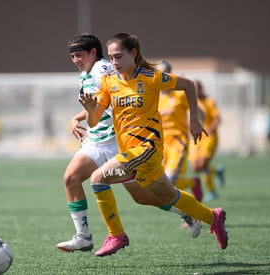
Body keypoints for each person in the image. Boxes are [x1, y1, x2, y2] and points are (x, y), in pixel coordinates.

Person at [79, 32, 228, 256]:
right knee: (169, 197)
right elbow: (94, 120)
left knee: (97, 179)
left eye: (119, 56)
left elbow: (187, 85)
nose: (114, 62)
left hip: (147, 149)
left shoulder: (150, 77)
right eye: (110, 58)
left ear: (133, 53)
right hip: (132, 153)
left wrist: (195, 119)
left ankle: (116, 235)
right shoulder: (109, 83)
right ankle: (212, 217)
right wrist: (91, 111)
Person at [56, 34, 201, 254]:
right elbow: (97, 104)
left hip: (118, 142)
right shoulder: (87, 73)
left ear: (93, 53)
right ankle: (83, 236)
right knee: (71, 178)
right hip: (97, 142)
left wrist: (87, 114)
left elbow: (110, 100)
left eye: (79, 55)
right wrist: (79, 116)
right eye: (72, 56)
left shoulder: (103, 70)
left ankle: (185, 211)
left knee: (142, 196)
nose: (75, 60)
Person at [157, 60, 204, 229]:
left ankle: (190, 215)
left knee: (169, 180)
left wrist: (197, 122)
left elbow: (199, 112)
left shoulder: (179, 95)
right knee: (162, 183)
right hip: (159, 145)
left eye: (165, 74)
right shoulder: (154, 96)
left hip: (178, 141)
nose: (162, 77)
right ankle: (192, 183)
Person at [188, 80, 224, 201]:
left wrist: (209, 129)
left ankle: (212, 191)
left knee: (203, 164)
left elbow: (218, 119)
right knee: (195, 167)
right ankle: (216, 171)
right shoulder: (190, 102)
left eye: (197, 88)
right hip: (197, 137)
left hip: (209, 137)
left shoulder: (209, 102)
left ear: (201, 89)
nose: (195, 91)